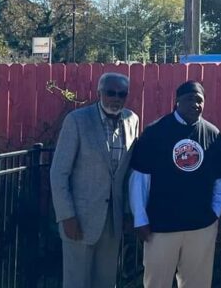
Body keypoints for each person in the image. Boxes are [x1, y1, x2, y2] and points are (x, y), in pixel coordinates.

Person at [129, 80, 221, 288]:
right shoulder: (155, 132)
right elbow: (140, 179)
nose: (195, 104)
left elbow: (220, 181)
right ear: (177, 101)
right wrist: (140, 219)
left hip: (200, 227)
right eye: (190, 99)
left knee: (197, 284)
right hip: (161, 227)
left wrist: (214, 214)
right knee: (156, 283)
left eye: (199, 100)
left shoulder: (214, 135)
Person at [50, 72, 140, 288]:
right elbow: (59, 172)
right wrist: (66, 215)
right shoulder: (77, 121)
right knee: (76, 282)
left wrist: (128, 212)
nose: (116, 98)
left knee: (107, 282)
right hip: (79, 219)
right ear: (99, 93)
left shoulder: (132, 120)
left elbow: (129, 174)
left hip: (113, 221)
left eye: (122, 94)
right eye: (111, 93)